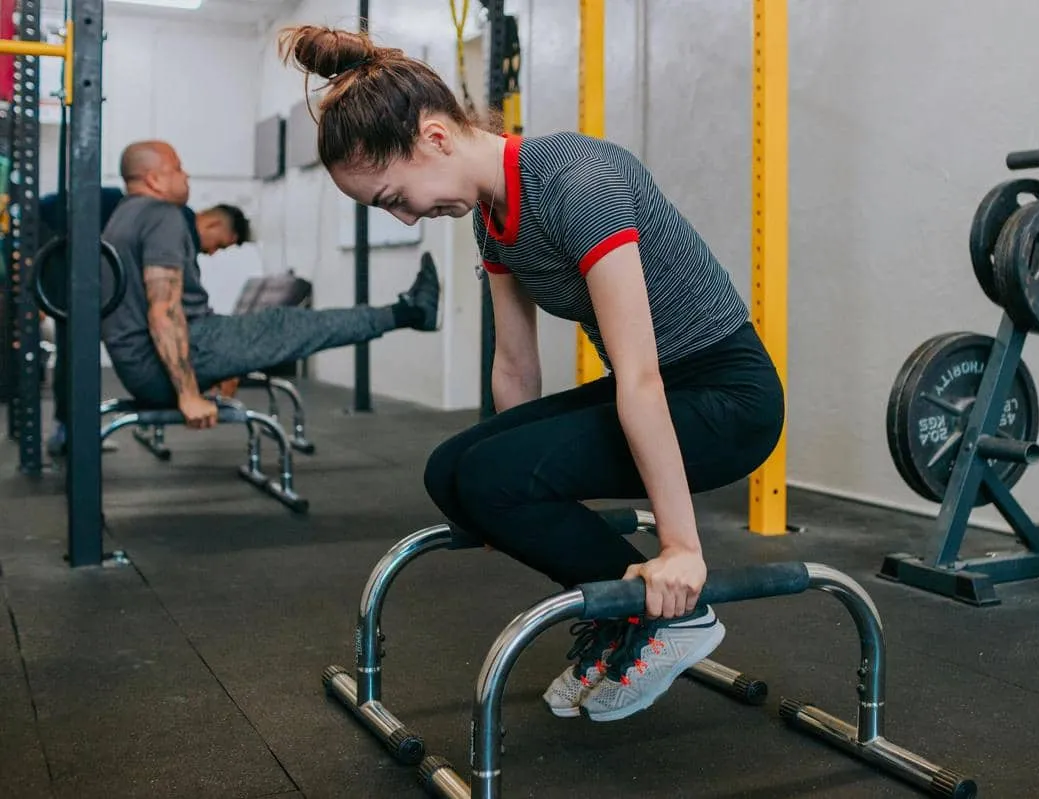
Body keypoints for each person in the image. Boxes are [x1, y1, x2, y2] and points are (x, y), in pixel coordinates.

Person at [278, 27, 786, 723]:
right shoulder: (492, 218)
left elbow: (639, 377)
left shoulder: (578, 180)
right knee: (454, 471)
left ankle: (674, 617)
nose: (405, 215)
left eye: (396, 196)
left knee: (491, 476)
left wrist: (681, 547)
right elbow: (515, 363)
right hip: (663, 386)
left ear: (434, 137)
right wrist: (499, 504)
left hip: (727, 398)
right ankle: (627, 614)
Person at [99, 140, 441, 428]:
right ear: (155, 179)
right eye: (178, 168)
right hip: (170, 359)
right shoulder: (162, 216)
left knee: (276, 326)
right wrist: (188, 394)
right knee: (290, 324)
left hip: (140, 367)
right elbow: (164, 310)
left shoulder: (122, 217)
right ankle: (409, 312)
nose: (185, 174)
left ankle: (407, 310)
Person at [40, 189, 251, 454]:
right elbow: (183, 309)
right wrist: (226, 362)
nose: (211, 253)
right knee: (76, 344)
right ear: (213, 223)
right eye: (218, 245)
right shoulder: (174, 221)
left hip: (55, 233)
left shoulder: (163, 218)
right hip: (51, 234)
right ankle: (69, 432)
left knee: (76, 344)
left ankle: (68, 430)